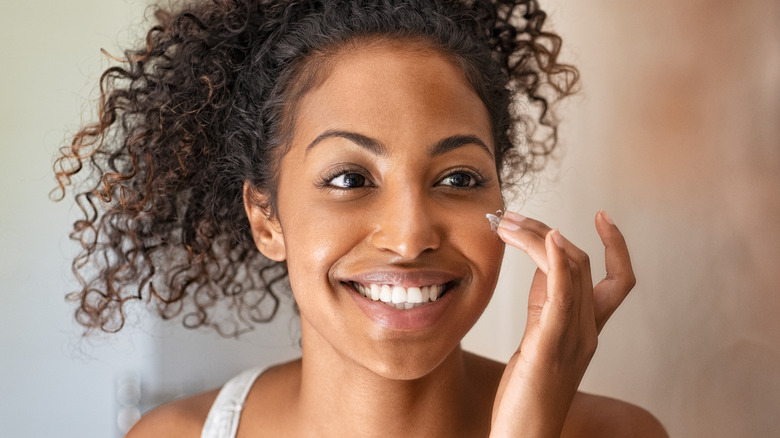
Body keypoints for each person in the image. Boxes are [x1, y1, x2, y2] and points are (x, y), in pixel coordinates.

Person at [53, 0, 668, 436]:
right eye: (349, 179)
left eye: (458, 179)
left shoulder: (616, 434)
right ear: (267, 220)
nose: (410, 236)